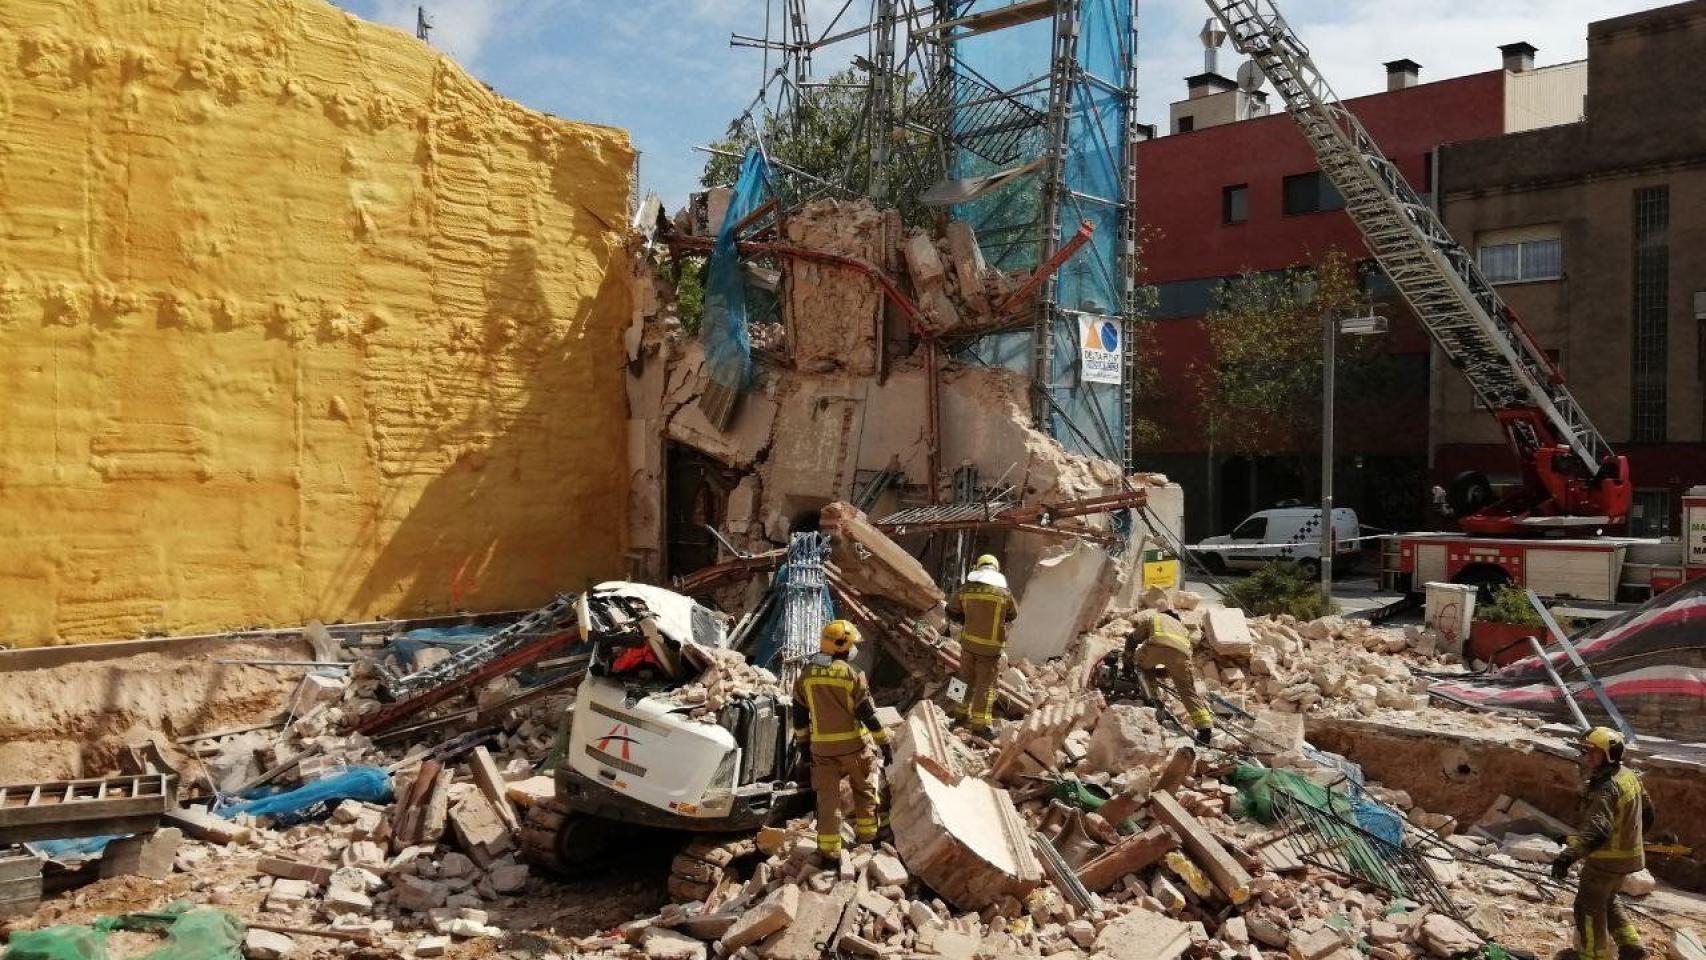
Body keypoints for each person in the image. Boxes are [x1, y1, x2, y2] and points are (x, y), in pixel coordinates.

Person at [791, 620, 892, 858]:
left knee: (827, 800)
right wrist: (884, 743)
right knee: (864, 791)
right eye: (852, 644)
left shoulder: (806, 675)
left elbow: (799, 717)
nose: (854, 648)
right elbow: (867, 713)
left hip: (822, 750)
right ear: (842, 646)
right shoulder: (852, 673)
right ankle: (868, 840)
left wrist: (804, 748)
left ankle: (829, 852)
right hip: (854, 747)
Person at [1551, 727, 1653, 960]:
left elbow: (1598, 831)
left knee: (1587, 906)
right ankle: (1631, 948)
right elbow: (1648, 812)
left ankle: (1592, 956)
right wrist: (1631, 840)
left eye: (1593, 752)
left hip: (1606, 861)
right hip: (1628, 857)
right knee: (1608, 900)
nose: (1587, 757)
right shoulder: (1628, 775)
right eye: (1586, 751)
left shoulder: (1605, 788)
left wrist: (1567, 857)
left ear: (1609, 754)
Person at [945, 554, 1018, 737]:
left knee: (962, 679)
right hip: (990, 649)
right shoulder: (1004, 593)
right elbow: (1012, 615)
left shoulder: (966, 589)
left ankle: (957, 714)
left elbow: (951, 610)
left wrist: (966, 619)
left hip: (968, 643)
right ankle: (980, 726)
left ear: (978, 568)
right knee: (985, 686)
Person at [1122, 605, 1214, 745]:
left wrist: (1127, 662)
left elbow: (1132, 639)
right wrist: (1161, 673)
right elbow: (1175, 666)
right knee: (1188, 691)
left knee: (1141, 668)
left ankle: (1152, 701)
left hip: (1155, 647)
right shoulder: (1183, 630)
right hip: (1181, 657)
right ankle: (1205, 730)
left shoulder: (1156, 617)